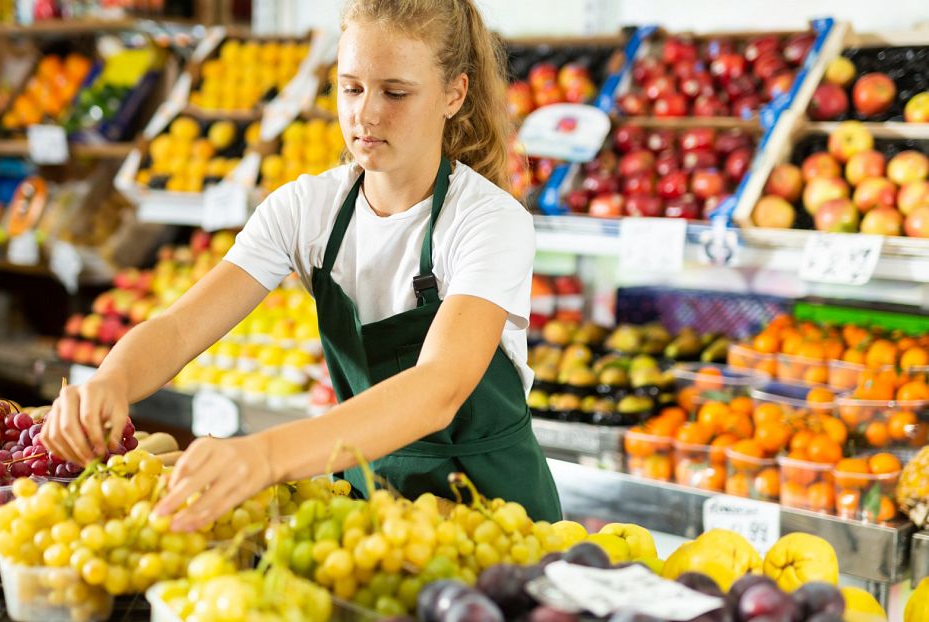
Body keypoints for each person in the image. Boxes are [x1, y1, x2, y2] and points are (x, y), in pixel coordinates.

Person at [40, 0, 561, 531]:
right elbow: (179, 329)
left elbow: (438, 388)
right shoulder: (305, 210)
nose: (365, 115)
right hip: (371, 511)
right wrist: (112, 381)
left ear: (454, 94)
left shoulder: (489, 221)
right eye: (351, 88)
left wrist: (266, 456)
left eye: (395, 92)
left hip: (495, 513)